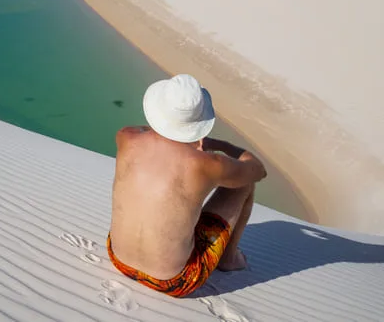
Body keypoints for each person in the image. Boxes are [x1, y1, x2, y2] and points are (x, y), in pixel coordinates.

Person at [107, 74, 267, 298]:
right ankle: (229, 259)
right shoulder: (208, 164)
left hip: (118, 259)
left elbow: (145, 130)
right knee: (243, 185)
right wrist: (220, 145)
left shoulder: (126, 137)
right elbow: (258, 170)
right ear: (199, 123)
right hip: (174, 281)